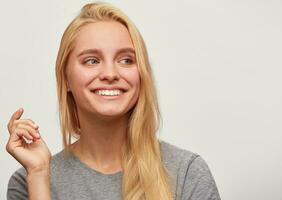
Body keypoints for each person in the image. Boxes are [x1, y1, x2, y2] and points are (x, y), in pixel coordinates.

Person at [6, 2, 221, 200]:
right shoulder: (28, 181)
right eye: (92, 60)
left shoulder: (187, 173)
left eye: (126, 60)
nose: (110, 73)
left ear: (141, 75)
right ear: (66, 79)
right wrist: (38, 175)